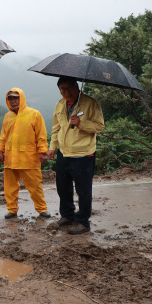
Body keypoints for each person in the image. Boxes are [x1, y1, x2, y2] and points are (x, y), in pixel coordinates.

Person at [47, 77, 105, 235]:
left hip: (83, 154)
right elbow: (56, 128)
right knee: (63, 187)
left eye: (68, 88)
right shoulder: (60, 104)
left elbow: (99, 126)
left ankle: (83, 222)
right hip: (64, 153)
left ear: (77, 86)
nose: (65, 92)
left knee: (83, 190)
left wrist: (81, 123)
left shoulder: (91, 103)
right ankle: (67, 215)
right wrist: (52, 147)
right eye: (62, 89)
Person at [0, 88, 50, 219]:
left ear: (22, 98)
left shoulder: (34, 114)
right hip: (10, 157)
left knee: (35, 185)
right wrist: (0, 151)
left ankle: (42, 209)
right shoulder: (7, 116)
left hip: (28, 157)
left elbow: (41, 135)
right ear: (7, 101)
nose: (13, 101)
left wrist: (43, 151)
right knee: (9, 187)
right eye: (10, 99)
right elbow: (3, 136)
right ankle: (12, 209)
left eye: (16, 98)